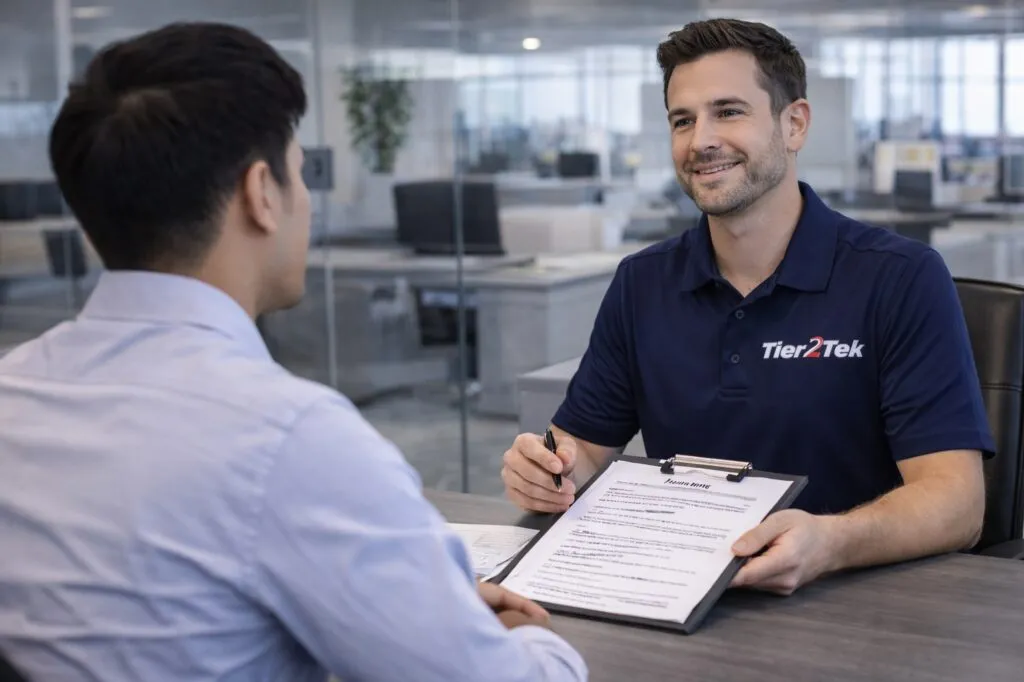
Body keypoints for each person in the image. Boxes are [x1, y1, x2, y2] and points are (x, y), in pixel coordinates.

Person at [0, 22, 586, 682]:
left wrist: (412, 614)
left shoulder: (14, 393)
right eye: (300, 175)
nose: (306, 201)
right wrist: (526, 642)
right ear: (261, 193)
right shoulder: (290, 438)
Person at [501, 18, 994, 596]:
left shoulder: (900, 278)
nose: (701, 140)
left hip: (856, 608)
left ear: (794, 125)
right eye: (682, 120)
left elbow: (958, 504)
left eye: (728, 111)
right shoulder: (643, 283)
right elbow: (580, 449)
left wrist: (830, 542)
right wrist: (548, 473)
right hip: (679, 596)